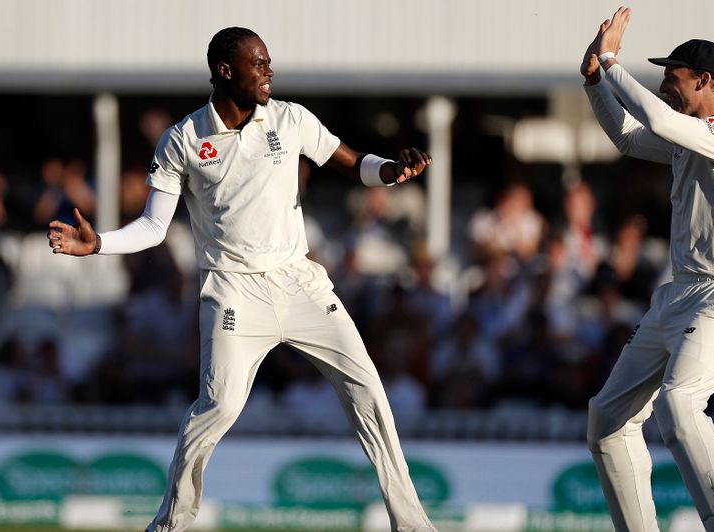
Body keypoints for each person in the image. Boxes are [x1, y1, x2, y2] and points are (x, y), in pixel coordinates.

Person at [48, 27, 436, 532]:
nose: (269, 71)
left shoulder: (291, 118)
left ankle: (412, 525)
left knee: (368, 390)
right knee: (219, 407)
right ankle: (171, 524)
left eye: (269, 62)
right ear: (226, 71)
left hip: (299, 281)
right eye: (259, 63)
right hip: (232, 289)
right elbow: (152, 227)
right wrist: (98, 242)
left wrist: (391, 171)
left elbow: (352, 163)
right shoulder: (184, 139)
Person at [580, 7, 714, 532]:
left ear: (704, 81)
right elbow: (630, 138)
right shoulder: (691, 135)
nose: (663, 83)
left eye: (672, 76)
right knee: (607, 421)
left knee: (679, 406)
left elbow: (655, 121)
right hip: (679, 295)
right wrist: (595, 82)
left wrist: (611, 61)